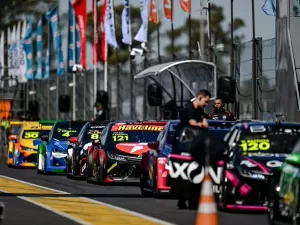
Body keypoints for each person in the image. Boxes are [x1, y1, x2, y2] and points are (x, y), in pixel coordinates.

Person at [172, 89, 211, 209]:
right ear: (199, 98)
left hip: (195, 145)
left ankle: (193, 200)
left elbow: (205, 123)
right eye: (205, 101)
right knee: (184, 174)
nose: (206, 104)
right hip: (183, 145)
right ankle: (182, 199)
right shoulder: (188, 109)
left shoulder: (200, 110)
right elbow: (193, 123)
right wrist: (201, 124)